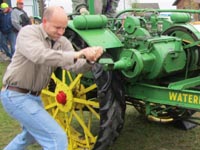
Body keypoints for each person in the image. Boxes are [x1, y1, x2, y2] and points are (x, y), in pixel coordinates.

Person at [0, 6, 103, 150]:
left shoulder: (62, 42)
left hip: (35, 98)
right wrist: (77, 54)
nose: (61, 32)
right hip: (15, 95)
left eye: (64, 28)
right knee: (57, 138)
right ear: (44, 21)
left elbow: (75, 67)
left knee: (29, 136)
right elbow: (40, 55)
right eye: (57, 28)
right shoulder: (28, 33)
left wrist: (89, 60)